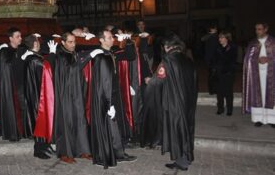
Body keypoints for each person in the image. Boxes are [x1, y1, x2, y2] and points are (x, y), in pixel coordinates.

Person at [144, 34, 197, 171]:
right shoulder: (187, 59)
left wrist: (149, 81)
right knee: (186, 128)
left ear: (167, 46)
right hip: (188, 101)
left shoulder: (168, 60)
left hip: (175, 102)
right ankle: (186, 158)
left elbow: (159, 79)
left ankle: (182, 161)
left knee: (177, 129)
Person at [89, 30, 137, 169]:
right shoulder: (100, 55)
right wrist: (109, 103)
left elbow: (130, 56)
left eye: (112, 37)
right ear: (102, 40)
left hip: (115, 94)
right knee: (111, 125)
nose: (113, 39)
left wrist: (128, 41)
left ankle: (118, 152)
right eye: (109, 37)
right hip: (106, 96)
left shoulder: (112, 53)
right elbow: (104, 81)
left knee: (117, 125)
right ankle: (116, 154)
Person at [49, 32, 92, 163]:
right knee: (66, 122)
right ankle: (65, 152)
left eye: (74, 42)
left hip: (76, 92)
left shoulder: (73, 53)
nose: (73, 45)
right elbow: (70, 71)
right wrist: (86, 59)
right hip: (65, 94)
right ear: (63, 42)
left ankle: (83, 150)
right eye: (70, 42)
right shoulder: (60, 56)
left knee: (80, 119)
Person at [21, 34, 53, 159]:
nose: (39, 44)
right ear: (35, 44)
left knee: (41, 120)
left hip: (36, 93)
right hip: (36, 96)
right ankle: (39, 150)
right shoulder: (33, 60)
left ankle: (45, 145)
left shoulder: (32, 57)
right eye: (38, 42)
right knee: (38, 121)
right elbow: (46, 67)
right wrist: (52, 55)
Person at [243, 23, 275, 128]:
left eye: (260, 29)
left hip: (271, 74)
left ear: (266, 29)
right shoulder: (253, 43)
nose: (257, 31)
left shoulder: (273, 42)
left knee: (270, 95)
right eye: (256, 29)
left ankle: (272, 119)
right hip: (257, 74)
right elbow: (247, 59)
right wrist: (257, 60)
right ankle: (258, 119)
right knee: (258, 95)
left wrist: (269, 59)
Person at [0, 27, 25, 141]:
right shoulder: (5, 52)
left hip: (21, 85)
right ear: (11, 38)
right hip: (11, 87)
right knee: (13, 110)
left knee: (24, 109)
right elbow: (4, 70)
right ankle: (13, 133)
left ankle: (24, 131)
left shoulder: (22, 50)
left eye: (20, 36)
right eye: (17, 36)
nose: (20, 38)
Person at [212, 31, 237, 116]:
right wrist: (214, 67)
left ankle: (229, 109)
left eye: (222, 37)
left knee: (228, 92)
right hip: (219, 73)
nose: (220, 39)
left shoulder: (232, 48)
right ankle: (220, 108)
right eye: (219, 37)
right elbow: (214, 60)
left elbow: (232, 62)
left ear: (227, 38)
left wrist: (227, 70)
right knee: (219, 92)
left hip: (228, 73)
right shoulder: (217, 48)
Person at [201, 25, 220, 95]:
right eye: (212, 29)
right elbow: (202, 39)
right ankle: (212, 90)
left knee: (214, 75)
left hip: (214, 58)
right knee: (212, 75)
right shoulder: (210, 36)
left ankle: (213, 90)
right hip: (211, 59)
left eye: (214, 29)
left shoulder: (216, 36)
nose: (214, 30)